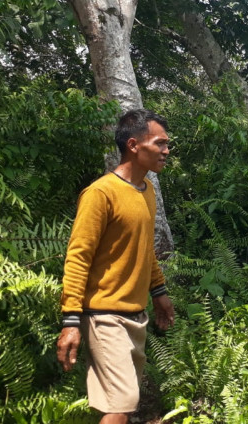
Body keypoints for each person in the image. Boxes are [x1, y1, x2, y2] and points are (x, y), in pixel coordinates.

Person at [56, 109, 175, 424]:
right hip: (103, 315)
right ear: (134, 145)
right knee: (122, 403)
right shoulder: (100, 194)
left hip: (135, 315)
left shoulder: (146, 191)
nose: (166, 151)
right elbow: (78, 256)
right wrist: (70, 322)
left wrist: (159, 292)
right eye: (160, 144)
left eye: (167, 145)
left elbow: (144, 249)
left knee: (121, 402)